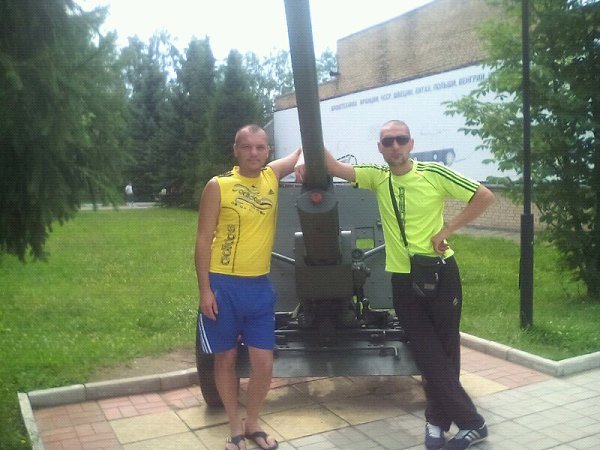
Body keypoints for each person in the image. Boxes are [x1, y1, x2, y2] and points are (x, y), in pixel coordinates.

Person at [295, 120, 495, 450]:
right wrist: (304, 152)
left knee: (446, 350)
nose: (395, 146)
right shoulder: (377, 176)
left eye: (401, 139)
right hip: (403, 278)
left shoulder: (433, 173)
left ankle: (439, 420)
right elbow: (331, 166)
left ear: (411, 143)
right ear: (380, 148)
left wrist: (447, 230)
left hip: (439, 273)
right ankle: (472, 423)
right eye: (388, 141)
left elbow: (483, 196)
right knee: (427, 353)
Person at [195, 124, 301, 450]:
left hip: (259, 286)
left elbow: (299, 153)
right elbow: (203, 240)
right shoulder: (219, 185)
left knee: (264, 363)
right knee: (225, 359)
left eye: (260, 147)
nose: (254, 153)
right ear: (236, 150)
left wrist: (301, 163)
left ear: (267, 150)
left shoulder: (271, 176)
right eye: (247, 147)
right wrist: (205, 291)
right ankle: (234, 428)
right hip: (223, 285)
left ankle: (253, 422)